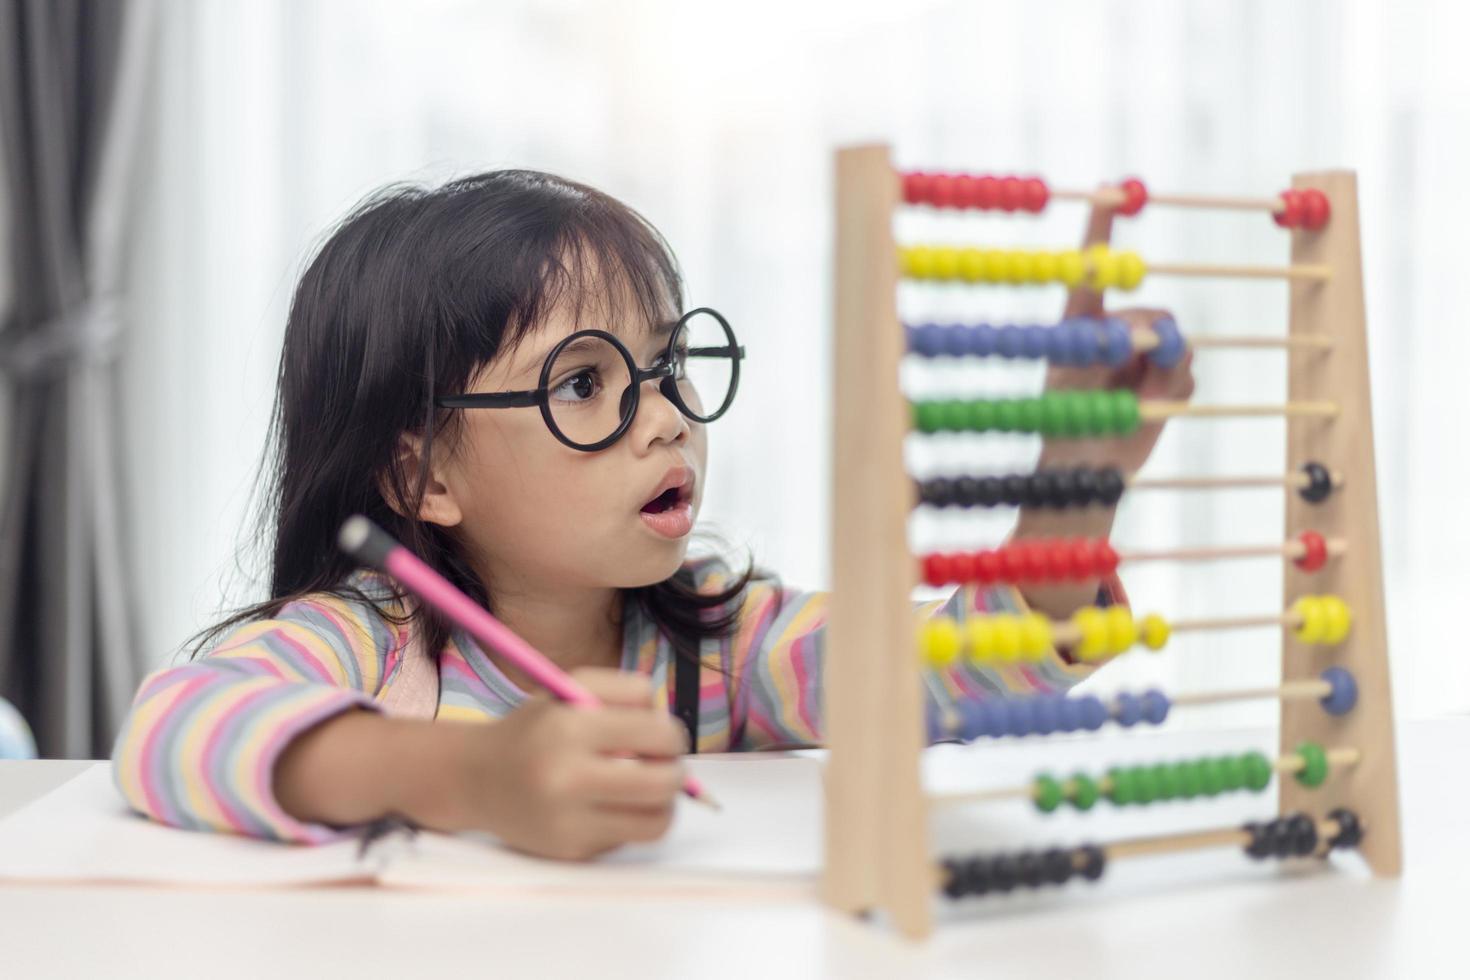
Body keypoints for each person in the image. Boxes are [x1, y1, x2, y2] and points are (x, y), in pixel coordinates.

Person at [111, 170, 1193, 860]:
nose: (668, 416)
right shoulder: (376, 642)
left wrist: (1070, 488)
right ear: (424, 474)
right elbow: (170, 728)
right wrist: (469, 777)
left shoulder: (718, 645)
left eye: (668, 365)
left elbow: (952, 662)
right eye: (584, 384)